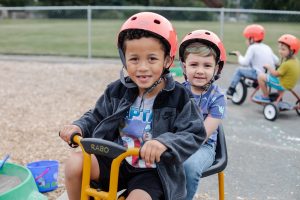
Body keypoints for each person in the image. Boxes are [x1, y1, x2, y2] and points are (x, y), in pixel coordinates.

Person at [59, 12, 207, 200]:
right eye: (134, 59)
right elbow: (97, 116)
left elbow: (194, 133)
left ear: (167, 61)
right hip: (115, 160)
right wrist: (79, 126)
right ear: (124, 59)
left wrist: (164, 143)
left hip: (152, 171)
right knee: (75, 164)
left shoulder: (179, 97)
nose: (142, 67)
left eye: (152, 59)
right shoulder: (117, 90)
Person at [179, 30, 227, 200]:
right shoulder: (177, 92)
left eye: (207, 65)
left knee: (189, 166)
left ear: (216, 68)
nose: (200, 71)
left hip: (202, 146)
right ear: (184, 66)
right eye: (194, 65)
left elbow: (202, 135)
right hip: (175, 141)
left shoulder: (217, 98)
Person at [226, 24, 279, 98]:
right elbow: (277, 60)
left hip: (258, 74)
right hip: (269, 74)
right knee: (252, 68)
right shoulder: (267, 47)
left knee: (239, 70)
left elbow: (244, 63)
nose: (246, 41)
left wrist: (239, 55)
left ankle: (231, 90)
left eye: (247, 38)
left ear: (252, 39)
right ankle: (254, 83)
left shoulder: (252, 47)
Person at [253, 34, 300, 102]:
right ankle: (278, 97)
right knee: (273, 77)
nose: (280, 51)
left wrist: (269, 67)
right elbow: (285, 70)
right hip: (290, 84)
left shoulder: (287, 64)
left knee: (261, 77)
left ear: (292, 51)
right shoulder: (295, 61)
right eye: (280, 48)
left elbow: (275, 74)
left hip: (282, 84)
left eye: (283, 49)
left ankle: (265, 96)